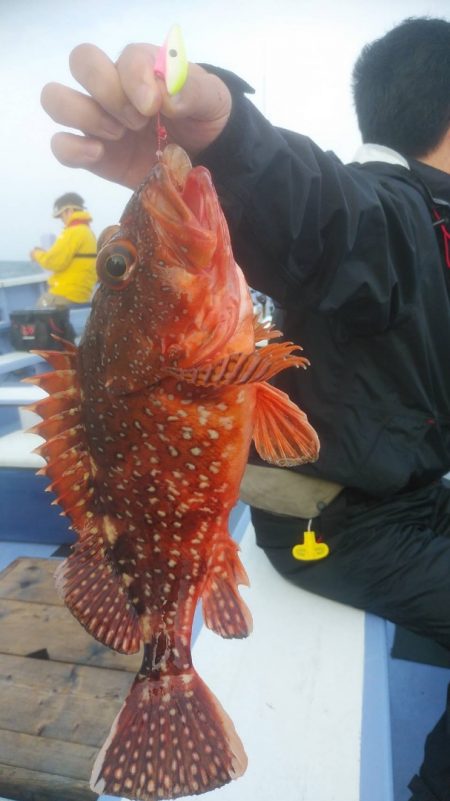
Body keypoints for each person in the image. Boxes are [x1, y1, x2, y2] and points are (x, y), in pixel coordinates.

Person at [40, 17, 450, 800]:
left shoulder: (432, 213)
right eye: (120, 267)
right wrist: (225, 147)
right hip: (340, 525)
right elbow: (326, 221)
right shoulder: (391, 211)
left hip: (409, 498)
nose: (126, 261)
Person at [30, 192, 97, 307]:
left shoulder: (73, 231)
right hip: (82, 295)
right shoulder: (88, 233)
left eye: (61, 216)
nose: (62, 220)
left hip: (64, 295)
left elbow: (53, 262)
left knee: (32, 318)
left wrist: (36, 254)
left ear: (69, 211)